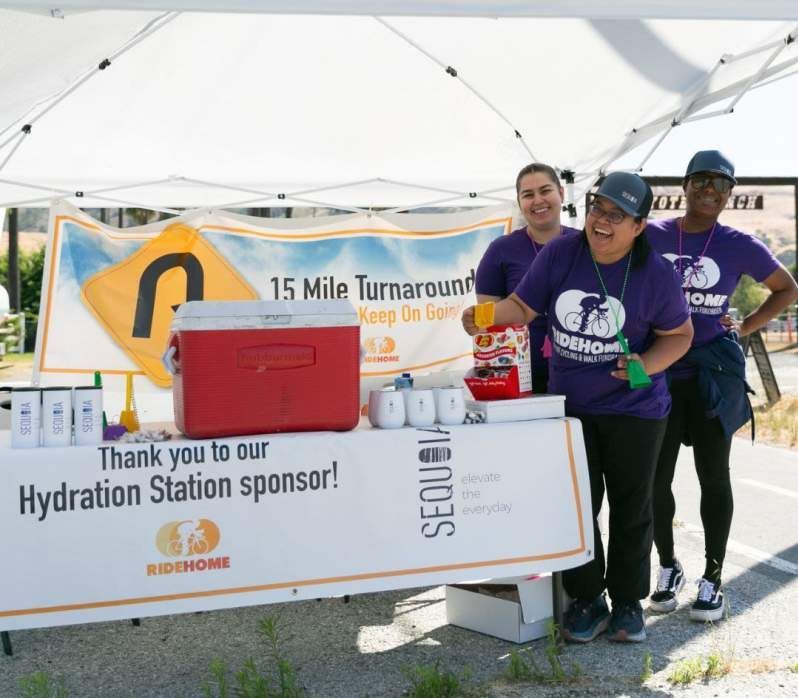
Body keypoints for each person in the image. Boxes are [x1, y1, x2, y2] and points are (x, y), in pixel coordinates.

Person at [462, 172, 693, 643]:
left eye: (616, 215)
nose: (602, 221)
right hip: (574, 408)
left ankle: (629, 602)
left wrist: (644, 365)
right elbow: (522, 309)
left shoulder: (656, 273)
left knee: (632, 507)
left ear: (639, 226)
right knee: (578, 507)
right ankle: (589, 600)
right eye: (597, 209)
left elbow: (680, 335)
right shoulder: (562, 253)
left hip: (636, 410)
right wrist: (481, 316)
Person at [646, 150, 798, 622]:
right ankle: (669, 567)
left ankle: (713, 577)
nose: (710, 190)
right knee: (655, 478)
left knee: (715, 477)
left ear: (730, 193)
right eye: (701, 180)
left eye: (720, 183)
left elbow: (787, 289)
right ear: (685, 185)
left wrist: (746, 326)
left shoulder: (739, 243)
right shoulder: (651, 235)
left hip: (712, 378)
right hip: (658, 377)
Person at [475, 163, 580, 392]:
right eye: (528, 195)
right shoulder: (501, 250)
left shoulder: (584, 245)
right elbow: (486, 322)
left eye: (545, 191)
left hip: (579, 375)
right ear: (519, 202)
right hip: (519, 376)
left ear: (561, 193)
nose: (538, 200)